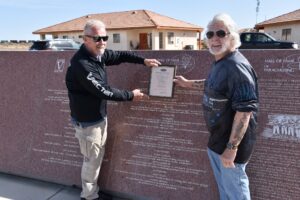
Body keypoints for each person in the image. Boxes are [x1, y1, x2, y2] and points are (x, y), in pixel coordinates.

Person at [65, 19, 161, 200]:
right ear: (85, 39)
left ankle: (92, 191)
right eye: (97, 38)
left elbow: (118, 55)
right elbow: (104, 90)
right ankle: (89, 196)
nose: (102, 42)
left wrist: (143, 61)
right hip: (88, 123)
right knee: (91, 160)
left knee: (96, 156)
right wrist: (131, 95)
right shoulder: (83, 65)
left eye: (104, 37)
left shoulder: (97, 54)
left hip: (98, 117)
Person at [174, 13, 259, 200]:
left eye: (221, 33)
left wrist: (231, 148)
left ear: (232, 37)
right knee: (226, 192)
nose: (215, 38)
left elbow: (244, 112)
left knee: (236, 193)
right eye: (210, 34)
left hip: (230, 146)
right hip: (218, 142)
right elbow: (214, 84)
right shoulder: (221, 61)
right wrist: (189, 83)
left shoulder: (236, 67)